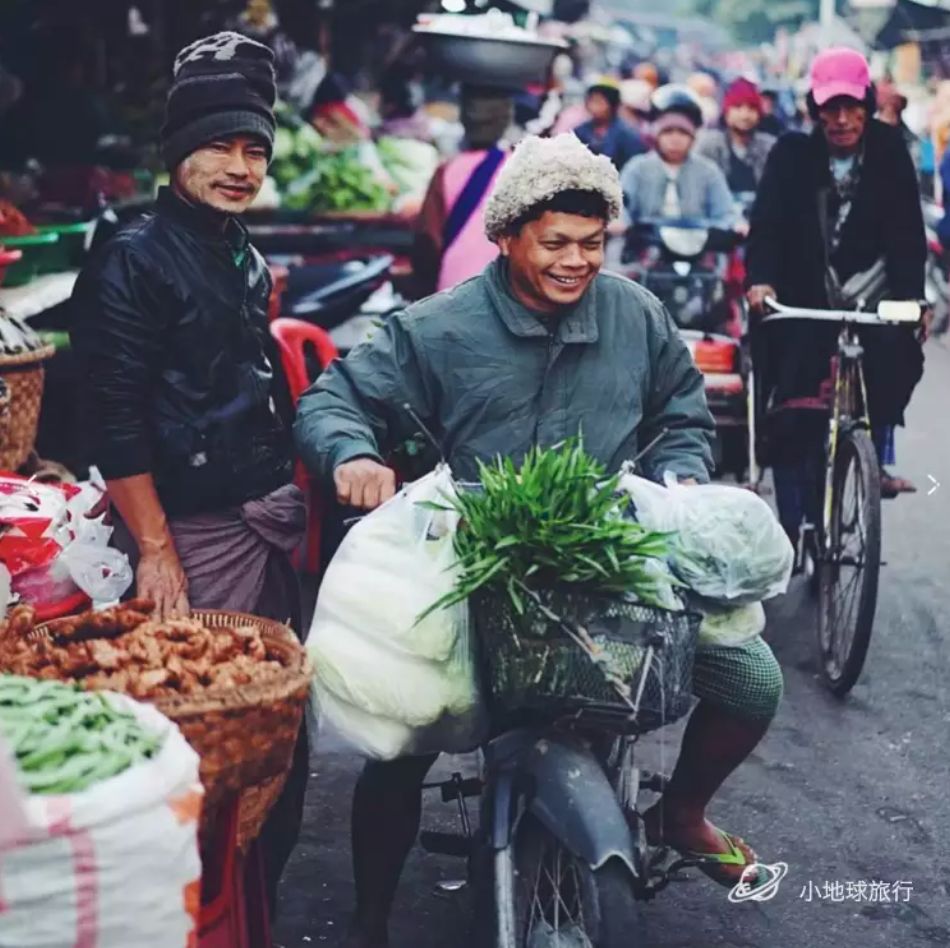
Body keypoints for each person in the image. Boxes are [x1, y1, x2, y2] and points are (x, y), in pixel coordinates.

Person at [294, 133, 784, 948]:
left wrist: (684, 477)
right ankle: (372, 916)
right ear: (508, 235)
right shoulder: (438, 327)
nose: (576, 261)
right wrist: (352, 457)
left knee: (752, 680)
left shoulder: (637, 314)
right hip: (479, 573)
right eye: (555, 242)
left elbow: (681, 416)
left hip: (612, 563)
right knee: (399, 735)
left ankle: (681, 813)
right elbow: (333, 399)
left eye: (592, 244)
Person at [69, 31, 307, 909]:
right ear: (176, 154)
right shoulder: (135, 252)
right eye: (219, 145)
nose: (239, 165)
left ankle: (250, 911)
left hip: (256, 521)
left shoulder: (238, 248)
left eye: (255, 149)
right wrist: (157, 550)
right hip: (192, 537)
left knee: (271, 744)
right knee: (205, 746)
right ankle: (192, 915)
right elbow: (114, 415)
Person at [746, 46, 926, 533]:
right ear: (816, 109)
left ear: (867, 105)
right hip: (803, 292)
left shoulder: (891, 152)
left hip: (870, 291)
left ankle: (871, 451)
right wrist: (760, 282)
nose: (842, 119)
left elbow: (909, 234)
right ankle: (792, 518)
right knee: (791, 395)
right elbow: (766, 226)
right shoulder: (791, 154)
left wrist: (915, 299)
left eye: (852, 107)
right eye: (831, 108)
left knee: (896, 355)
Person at [411, 86, 512, 297]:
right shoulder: (522, 168)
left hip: (452, 294)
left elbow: (428, 238)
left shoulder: (447, 171)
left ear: (465, 122)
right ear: (505, 121)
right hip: (509, 293)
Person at [620, 84, 736, 229]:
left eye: (683, 132)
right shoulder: (637, 168)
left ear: (693, 136)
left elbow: (725, 213)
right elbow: (620, 207)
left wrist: (733, 225)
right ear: (656, 135)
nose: (675, 139)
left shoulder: (708, 171)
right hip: (646, 244)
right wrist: (622, 222)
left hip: (697, 244)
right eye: (668, 131)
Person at [697, 78, 777, 193]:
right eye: (738, 107)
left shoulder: (769, 147)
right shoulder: (709, 145)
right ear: (727, 112)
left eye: (751, 108)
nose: (745, 115)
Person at [574, 77, 646, 171]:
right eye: (592, 101)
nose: (594, 107)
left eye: (599, 102)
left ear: (612, 105)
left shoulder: (627, 135)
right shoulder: (580, 131)